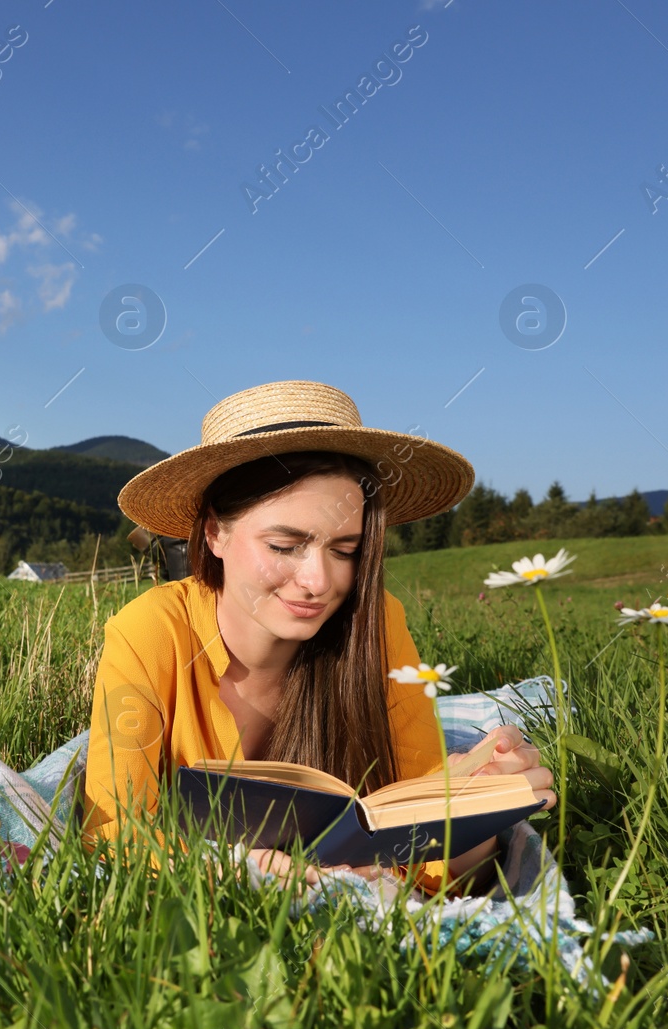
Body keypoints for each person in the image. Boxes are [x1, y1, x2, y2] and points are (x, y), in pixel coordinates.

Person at [81, 379, 557, 894]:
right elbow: (111, 833)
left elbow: (428, 850)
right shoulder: (150, 632)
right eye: (285, 545)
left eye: (345, 550)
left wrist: (473, 814)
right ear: (215, 532)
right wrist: (235, 870)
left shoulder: (376, 623)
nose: (319, 582)